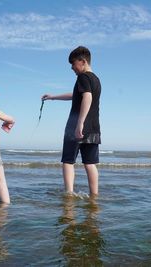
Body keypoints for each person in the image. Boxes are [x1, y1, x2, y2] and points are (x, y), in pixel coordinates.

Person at [42, 46, 101, 196]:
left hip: (76, 125)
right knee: (90, 164)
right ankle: (94, 196)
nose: (72, 68)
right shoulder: (96, 79)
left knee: (68, 161)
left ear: (82, 61)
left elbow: (87, 97)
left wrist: (80, 123)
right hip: (93, 128)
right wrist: (53, 97)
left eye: (73, 64)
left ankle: (69, 194)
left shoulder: (83, 77)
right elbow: (76, 95)